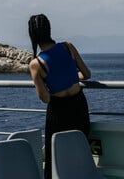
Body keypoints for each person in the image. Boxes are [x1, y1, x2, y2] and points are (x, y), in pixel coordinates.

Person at [28, 14, 92, 179]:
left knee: (55, 155)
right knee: (80, 148)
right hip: (79, 104)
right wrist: (69, 76)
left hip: (59, 110)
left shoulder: (37, 64)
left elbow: (46, 98)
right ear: (49, 29)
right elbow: (86, 74)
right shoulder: (68, 46)